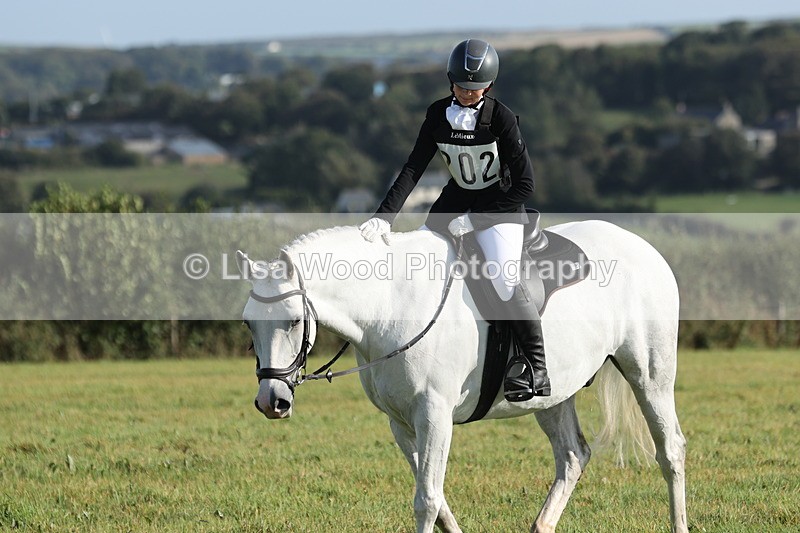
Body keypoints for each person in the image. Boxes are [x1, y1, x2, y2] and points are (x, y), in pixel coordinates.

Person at [359, 39, 550, 400]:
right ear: (450, 81)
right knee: (421, 257)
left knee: (502, 275)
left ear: (488, 87)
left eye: (475, 88)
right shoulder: (436, 115)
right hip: (457, 198)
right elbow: (414, 167)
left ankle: (537, 366)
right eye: (461, 86)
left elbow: (526, 184)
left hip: (500, 205)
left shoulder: (503, 118)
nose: (466, 93)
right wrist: (384, 218)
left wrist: (477, 221)